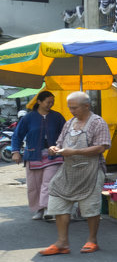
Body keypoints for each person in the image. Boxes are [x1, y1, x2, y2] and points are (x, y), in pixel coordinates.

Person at [38, 91, 111, 256]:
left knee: (90, 207)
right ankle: (62, 243)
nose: (72, 111)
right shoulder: (69, 123)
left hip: (91, 171)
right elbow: (59, 142)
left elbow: (101, 147)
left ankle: (92, 240)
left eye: (75, 108)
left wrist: (74, 151)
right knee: (57, 198)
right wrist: (54, 148)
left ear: (86, 106)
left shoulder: (98, 123)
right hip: (68, 170)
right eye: (70, 108)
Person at [10, 91, 66, 220]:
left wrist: (63, 149)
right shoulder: (28, 118)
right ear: (39, 102)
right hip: (33, 155)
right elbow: (17, 136)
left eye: (52, 102)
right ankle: (39, 209)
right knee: (34, 185)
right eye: (48, 102)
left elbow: (65, 133)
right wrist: (15, 152)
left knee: (49, 182)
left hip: (53, 155)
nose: (50, 104)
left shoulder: (57, 117)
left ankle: (48, 208)